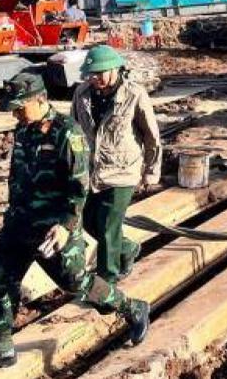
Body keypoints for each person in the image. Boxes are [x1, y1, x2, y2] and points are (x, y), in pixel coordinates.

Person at [0, 73, 148, 374]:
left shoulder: (67, 133)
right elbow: (17, 178)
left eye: (20, 108)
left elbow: (79, 188)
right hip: (19, 224)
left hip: (54, 229)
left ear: (39, 100)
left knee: (76, 283)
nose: (16, 115)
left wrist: (66, 227)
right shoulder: (23, 130)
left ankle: (132, 307)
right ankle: (0, 348)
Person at [72, 46, 161, 286]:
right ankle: (127, 248)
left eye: (99, 74)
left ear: (115, 70)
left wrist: (151, 172)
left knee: (108, 226)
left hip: (123, 171)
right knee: (88, 220)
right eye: (91, 74)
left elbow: (151, 136)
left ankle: (107, 279)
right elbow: (74, 130)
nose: (94, 79)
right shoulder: (82, 94)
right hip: (93, 172)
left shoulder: (134, 94)